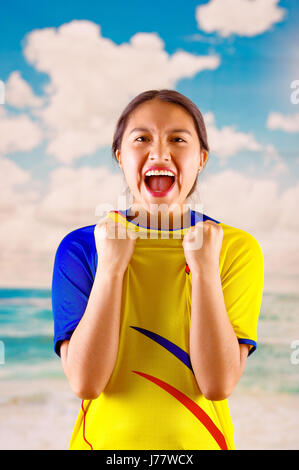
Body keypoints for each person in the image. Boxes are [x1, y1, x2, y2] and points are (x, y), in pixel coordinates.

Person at [51, 89, 264, 450]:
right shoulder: (82, 247)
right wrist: (111, 269)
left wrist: (205, 270)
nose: (160, 152)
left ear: (201, 159)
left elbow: (217, 384)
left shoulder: (236, 248)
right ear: (121, 157)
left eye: (178, 139)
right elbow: (86, 383)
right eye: (142, 138)